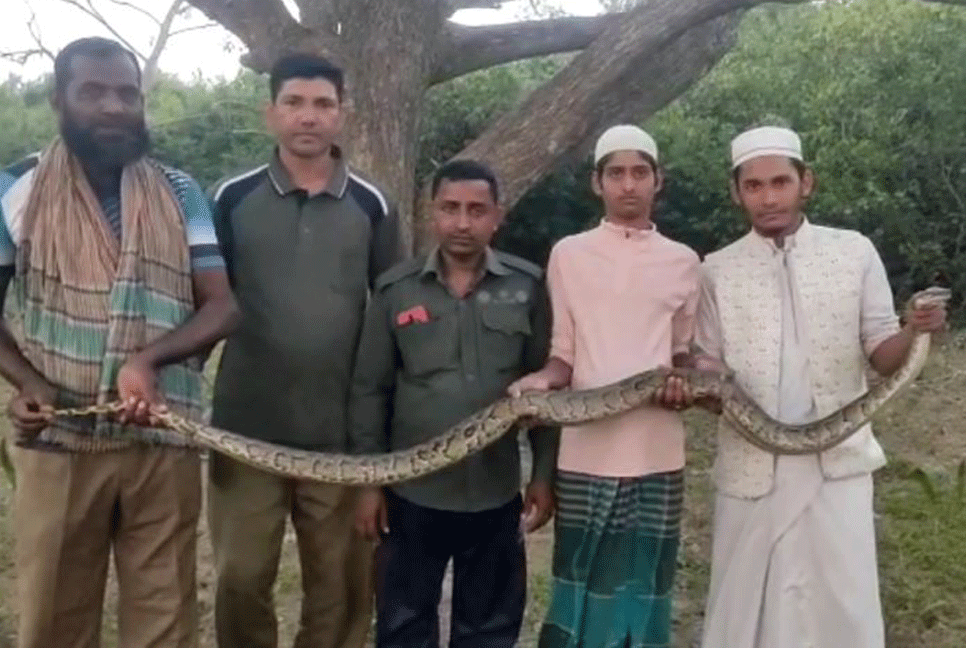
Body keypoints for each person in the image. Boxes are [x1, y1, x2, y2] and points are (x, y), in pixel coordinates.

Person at [0, 37, 238, 648]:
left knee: (165, 620)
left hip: (161, 437)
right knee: (53, 619)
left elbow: (222, 304)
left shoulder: (180, 191)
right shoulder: (14, 189)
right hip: (59, 440)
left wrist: (148, 359)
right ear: (59, 100)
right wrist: (27, 384)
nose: (113, 107)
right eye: (93, 92)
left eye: (126, 94)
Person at [694, 125, 947, 648]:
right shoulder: (715, 270)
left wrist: (914, 330)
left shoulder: (853, 252)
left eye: (780, 182)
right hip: (751, 464)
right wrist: (697, 382)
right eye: (755, 186)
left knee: (842, 605)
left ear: (805, 182)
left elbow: (882, 354)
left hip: (839, 462)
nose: (768, 198)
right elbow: (707, 366)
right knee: (745, 606)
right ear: (736, 192)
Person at [206, 53, 402, 648]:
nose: (308, 117)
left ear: (341, 115)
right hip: (246, 430)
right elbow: (206, 304)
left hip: (338, 433)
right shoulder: (231, 198)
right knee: (240, 578)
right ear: (271, 113)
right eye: (294, 103)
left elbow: (393, 310)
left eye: (322, 104)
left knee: (340, 585)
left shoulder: (372, 204)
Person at [349, 159, 558, 648]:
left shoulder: (526, 287)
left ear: (496, 216)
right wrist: (368, 484)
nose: (463, 222)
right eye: (450, 208)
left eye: (476, 210)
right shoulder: (395, 290)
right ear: (432, 213)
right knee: (403, 626)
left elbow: (547, 395)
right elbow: (368, 391)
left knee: (488, 630)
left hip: (493, 494)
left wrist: (544, 475)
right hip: (411, 497)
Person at [509, 125, 701, 648]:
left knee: (646, 586)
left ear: (657, 181)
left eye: (640, 172)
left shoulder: (684, 261)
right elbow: (564, 354)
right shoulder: (569, 254)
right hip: (585, 452)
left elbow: (681, 351)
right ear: (597, 183)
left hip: (658, 452)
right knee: (579, 584)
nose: (628, 185)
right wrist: (541, 380)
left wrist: (687, 378)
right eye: (616, 173)